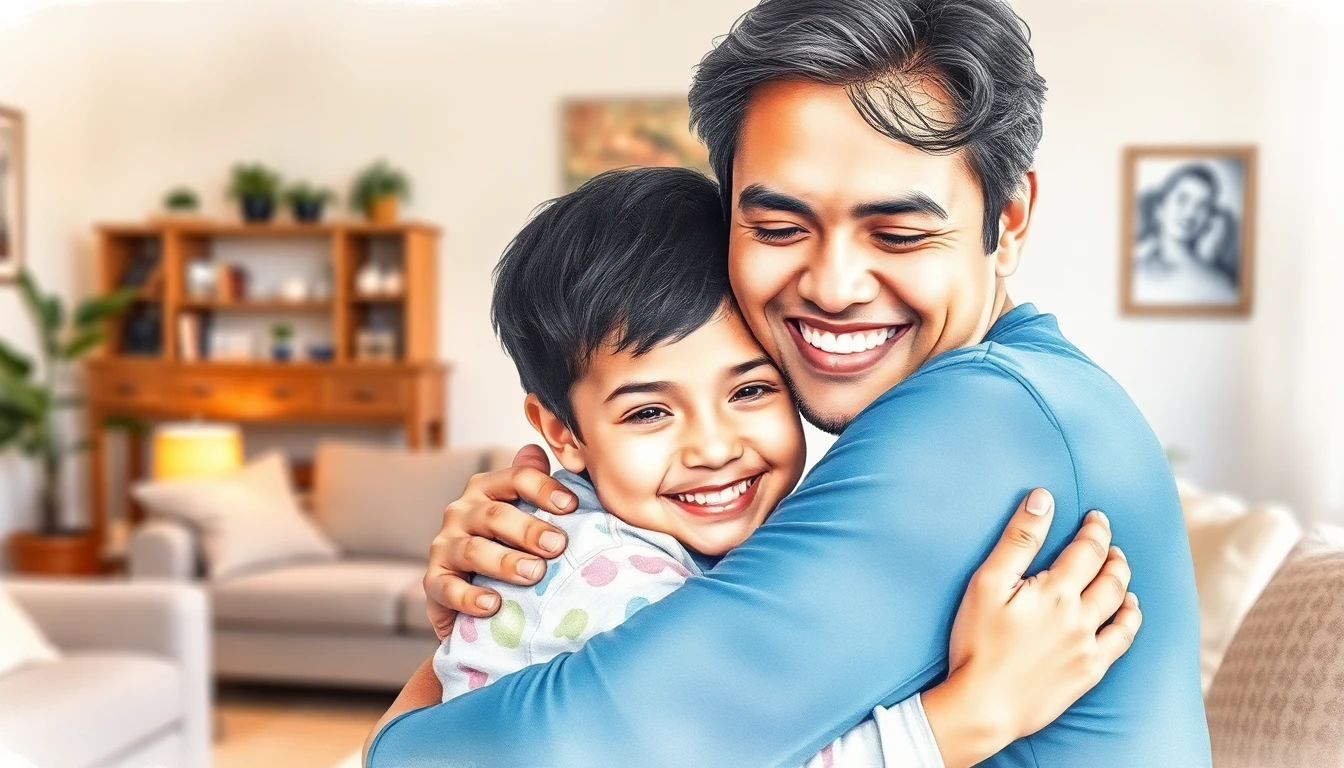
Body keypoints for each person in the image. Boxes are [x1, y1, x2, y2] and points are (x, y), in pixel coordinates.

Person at [372, 0, 1211, 765]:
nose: (834, 285)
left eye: (898, 232)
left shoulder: (981, 418)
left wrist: (424, 703)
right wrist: (501, 602)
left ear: (1009, 218)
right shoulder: (1037, 389)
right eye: (778, 225)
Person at [1132, 164, 1240, 305]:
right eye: (1182, 199)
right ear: (1159, 207)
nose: (1190, 213)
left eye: (1202, 205)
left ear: (1208, 219)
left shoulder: (1218, 284)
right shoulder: (1136, 270)